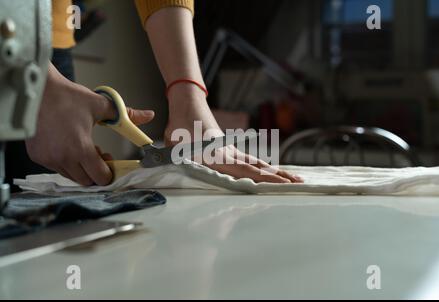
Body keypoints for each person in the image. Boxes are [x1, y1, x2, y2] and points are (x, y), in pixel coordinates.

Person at [23, 0, 303, 186]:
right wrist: (43, 87)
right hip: (20, 47)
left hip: (47, 39)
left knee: (46, 225)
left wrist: (188, 96)